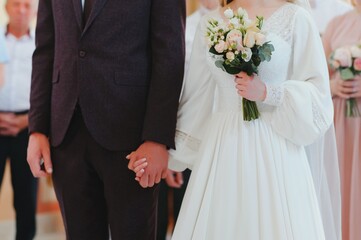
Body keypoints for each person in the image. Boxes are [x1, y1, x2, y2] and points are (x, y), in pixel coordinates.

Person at [132, 0, 341, 239]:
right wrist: (168, 152)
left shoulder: (296, 18)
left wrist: (267, 93)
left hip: (277, 146)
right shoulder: (210, 22)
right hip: (223, 147)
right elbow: (196, 98)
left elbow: (318, 94)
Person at [27, 0, 185, 239]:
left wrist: (157, 137)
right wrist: (37, 129)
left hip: (132, 136)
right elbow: (45, 49)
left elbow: (170, 54)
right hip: (67, 133)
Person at [157, 1, 218, 239]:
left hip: (227, 129)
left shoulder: (246, 22)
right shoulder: (186, 26)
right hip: (191, 130)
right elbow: (180, 90)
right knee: (186, 214)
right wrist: (174, 147)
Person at [323, 1, 361, 239]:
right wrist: (333, 85)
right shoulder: (335, 25)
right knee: (340, 181)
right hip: (340, 122)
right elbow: (314, 81)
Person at [0, 0, 37, 239]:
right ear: (6, 8)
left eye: (27, 5)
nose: (21, 10)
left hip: (29, 129)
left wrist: (28, 121)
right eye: (16, 4)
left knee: (26, 199)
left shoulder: (43, 44)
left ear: (34, 11)